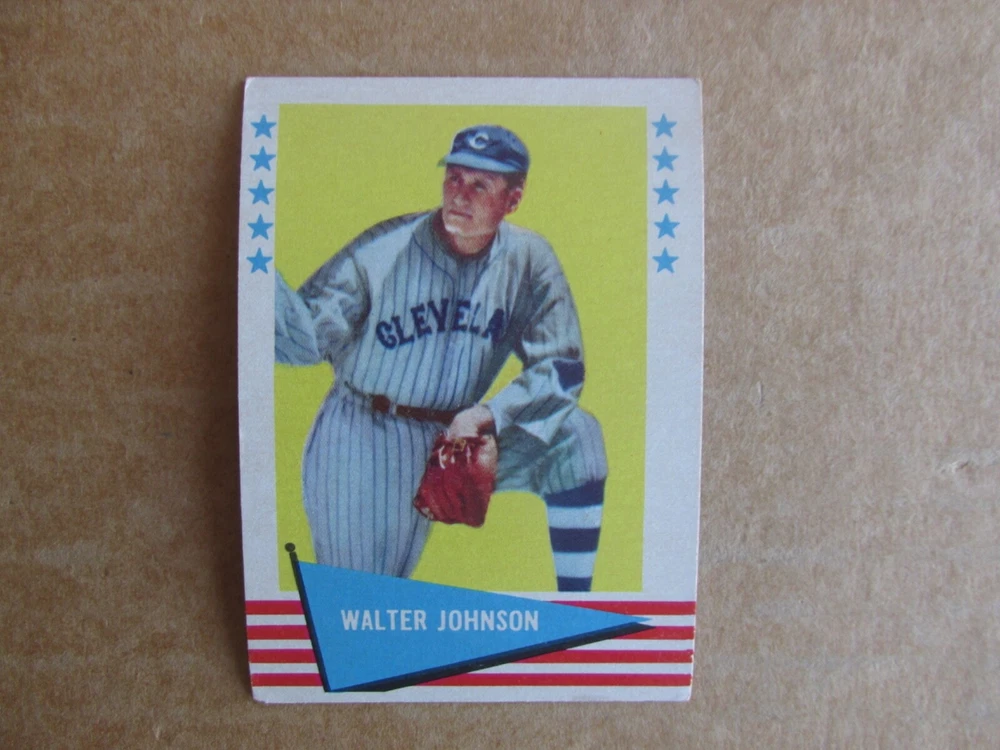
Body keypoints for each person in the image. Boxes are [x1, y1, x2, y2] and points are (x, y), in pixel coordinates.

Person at [275, 125, 608, 592]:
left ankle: (577, 608)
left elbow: (562, 367)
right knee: (361, 607)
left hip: (457, 434)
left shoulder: (529, 259)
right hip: (366, 437)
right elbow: (306, 339)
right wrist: (259, 283)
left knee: (577, 436)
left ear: (512, 200)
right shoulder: (382, 252)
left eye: (479, 185)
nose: (459, 195)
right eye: (454, 178)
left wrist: (488, 415)